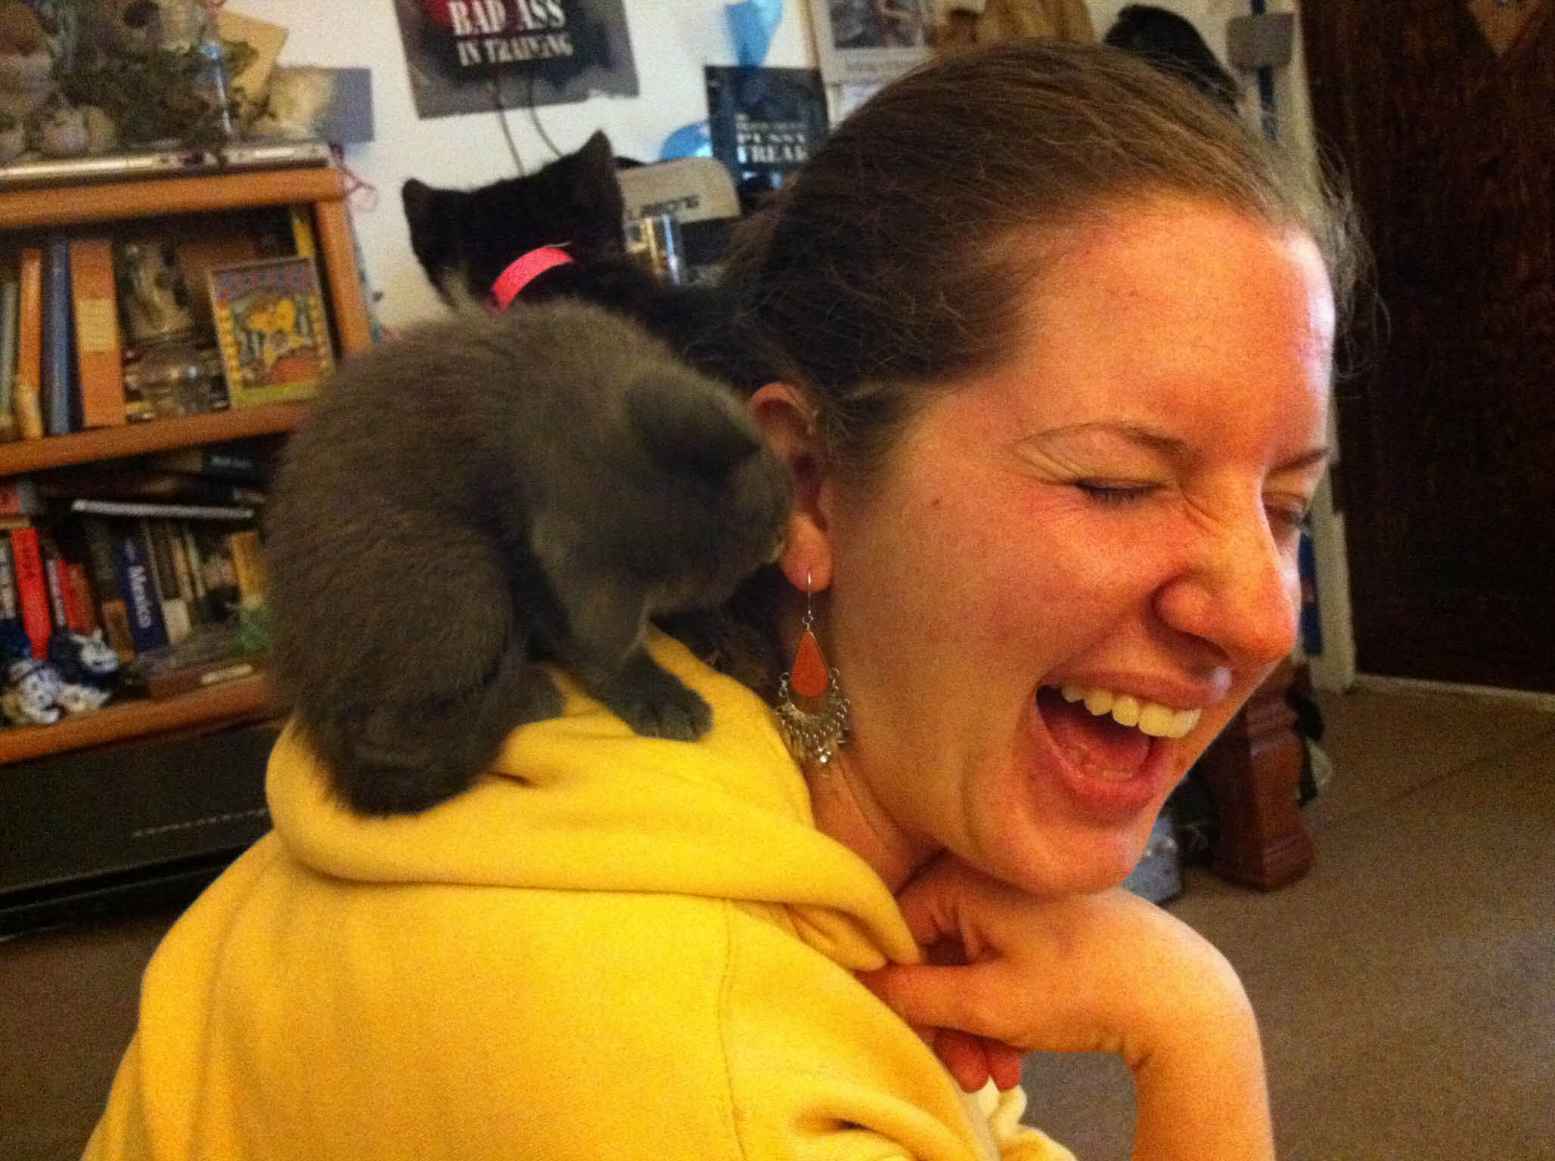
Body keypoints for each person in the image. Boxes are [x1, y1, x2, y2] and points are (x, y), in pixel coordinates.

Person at [84, 40, 1358, 1161]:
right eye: (1118, 482)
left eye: (1286, 507)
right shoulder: (713, 1080)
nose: (1259, 617)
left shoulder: (639, 756)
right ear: (808, 488)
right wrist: (1202, 1046)